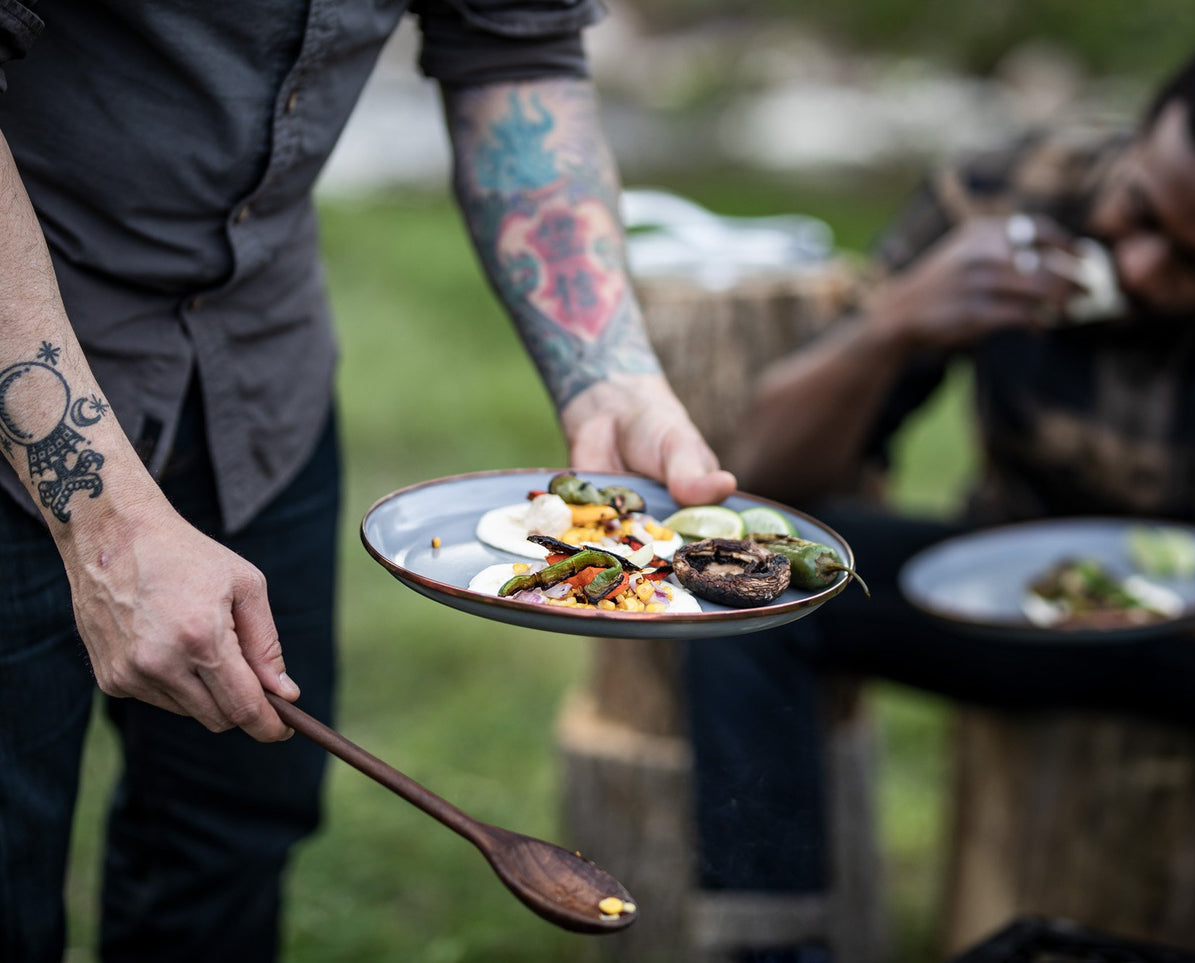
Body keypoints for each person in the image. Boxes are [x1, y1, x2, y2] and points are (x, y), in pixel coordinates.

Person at [0, 2, 735, 961]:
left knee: (231, 834)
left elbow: (516, 52)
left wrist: (608, 374)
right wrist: (103, 516)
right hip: (26, 371)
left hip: (259, 380)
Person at [687, 36, 1195, 963]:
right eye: (1140, 211)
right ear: (1138, 143)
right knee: (742, 568)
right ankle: (770, 950)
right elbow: (769, 469)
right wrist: (894, 322)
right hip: (997, 604)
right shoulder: (997, 195)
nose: (1140, 263)